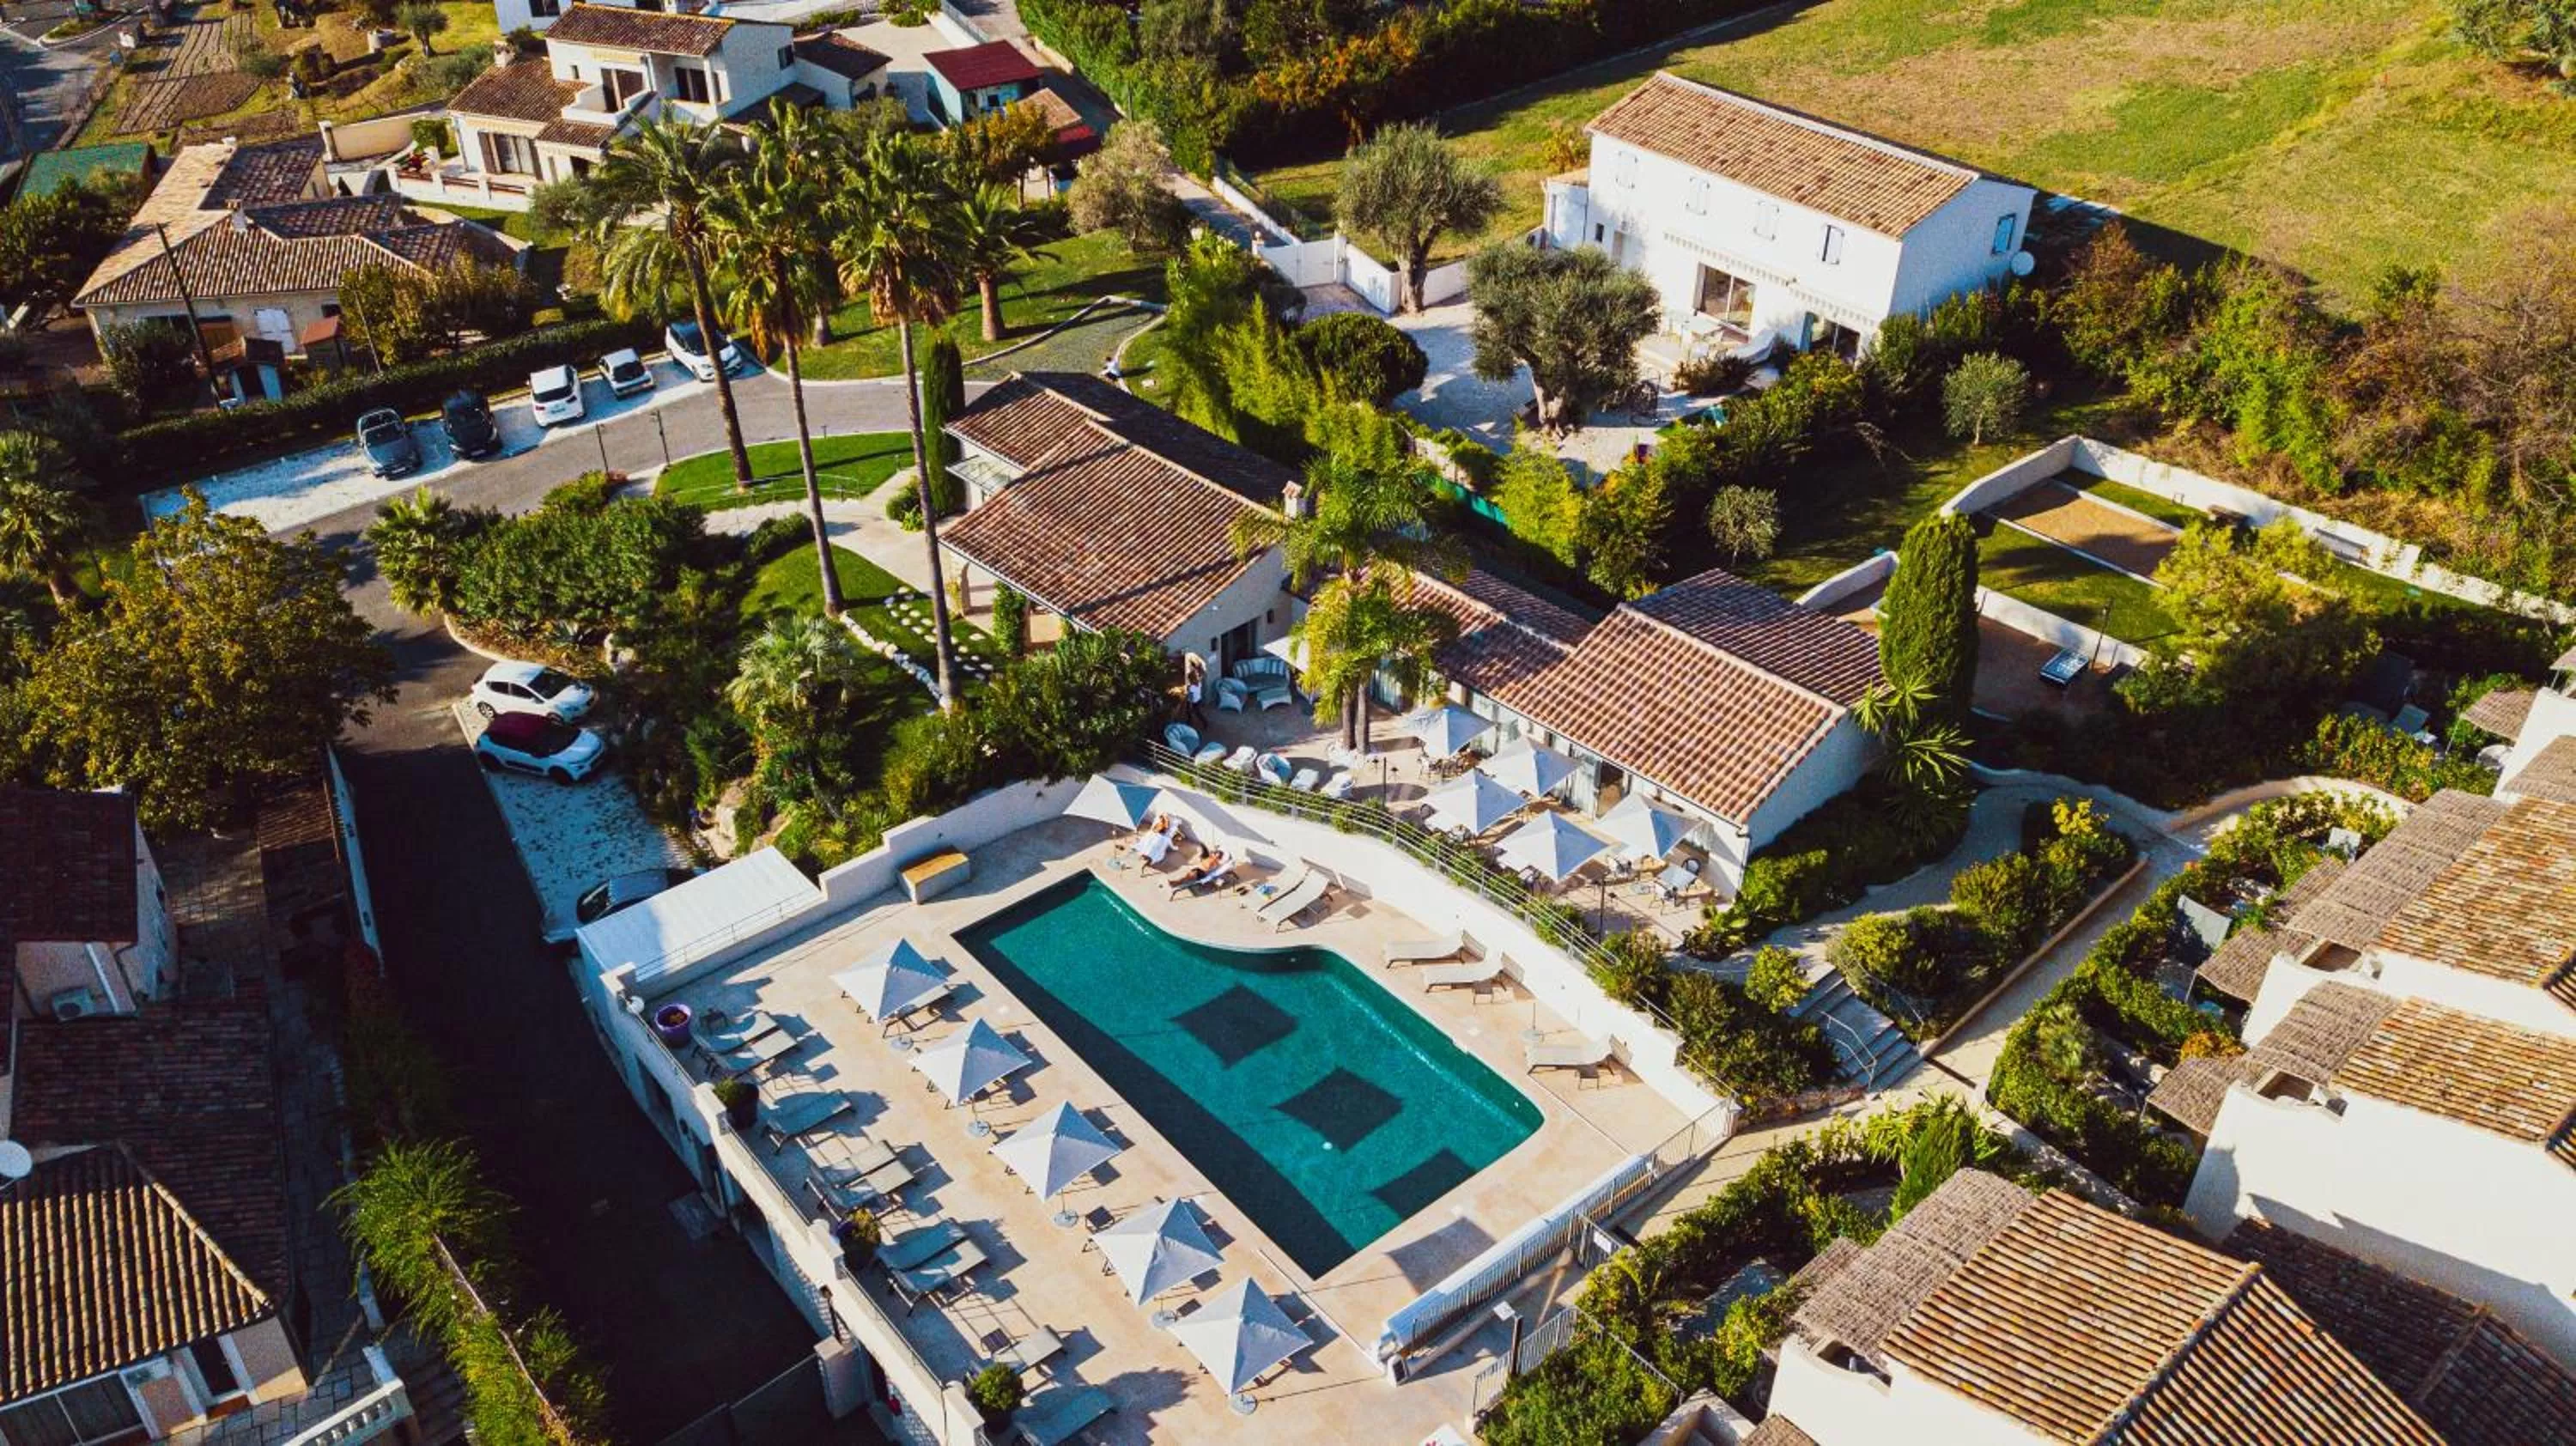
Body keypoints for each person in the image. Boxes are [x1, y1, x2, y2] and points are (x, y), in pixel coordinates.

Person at [1167, 848, 1233, 896]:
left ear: (1219, 858)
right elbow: (1202, 860)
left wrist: (1210, 863)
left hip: (1202, 873)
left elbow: (1209, 870)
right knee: (1188, 876)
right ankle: (1175, 883)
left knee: (1189, 876)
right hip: (1198, 870)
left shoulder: (1216, 863)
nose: (1215, 856)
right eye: (1216, 854)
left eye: (1217, 856)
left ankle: (1175, 883)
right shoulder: (1210, 857)